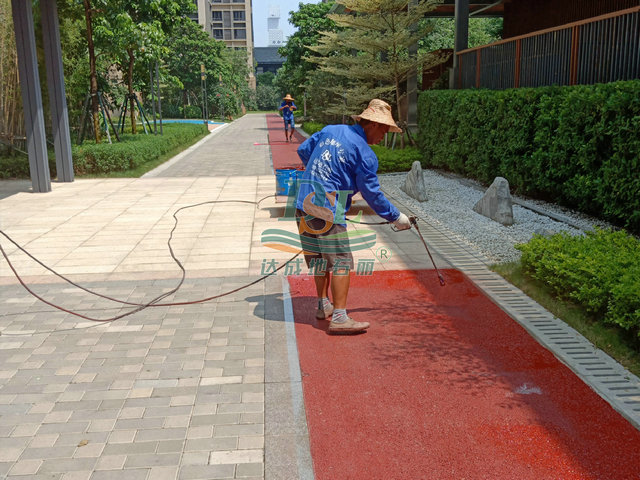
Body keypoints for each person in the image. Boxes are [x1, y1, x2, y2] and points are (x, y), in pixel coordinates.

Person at [294, 99, 412, 335]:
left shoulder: (330, 130)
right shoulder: (365, 154)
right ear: (373, 124)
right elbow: (372, 194)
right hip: (326, 209)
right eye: (384, 130)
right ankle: (339, 317)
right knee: (340, 263)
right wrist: (396, 217)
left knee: (318, 259)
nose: (384, 136)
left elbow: (303, 150)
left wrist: (323, 177)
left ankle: (322, 304)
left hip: (303, 201)